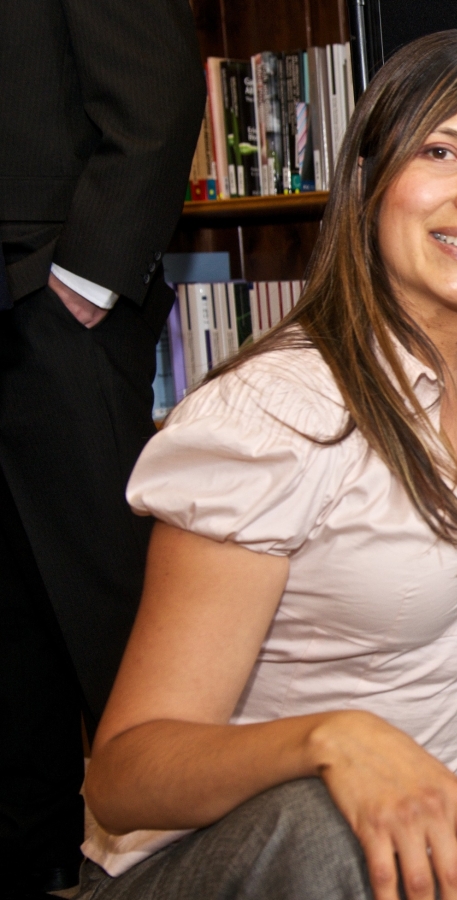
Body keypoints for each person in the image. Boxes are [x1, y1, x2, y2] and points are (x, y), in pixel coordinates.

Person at [76, 30, 457, 900]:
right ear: (370, 183)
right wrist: (329, 740)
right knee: (322, 821)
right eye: (442, 151)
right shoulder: (275, 413)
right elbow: (125, 774)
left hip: (441, 848)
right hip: (245, 863)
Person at [0, 0, 203, 892]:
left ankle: (204, 874)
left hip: (44, 307)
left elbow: (156, 92)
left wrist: (81, 283)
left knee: (117, 627)